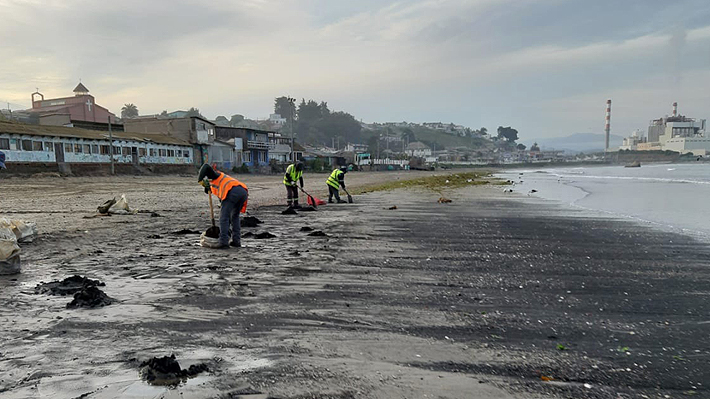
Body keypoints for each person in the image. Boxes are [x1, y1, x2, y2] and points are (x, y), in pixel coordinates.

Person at [198, 164, 248, 248]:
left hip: (232, 191)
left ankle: (223, 242)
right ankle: (236, 241)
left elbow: (206, 166)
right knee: (234, 217)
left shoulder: (215, 176)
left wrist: (200, 180)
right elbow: (223, 201)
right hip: (243, 192)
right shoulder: (219, 185)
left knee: (223, 217)